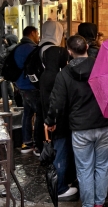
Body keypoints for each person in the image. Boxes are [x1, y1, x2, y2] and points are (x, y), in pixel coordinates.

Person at [45, 35, 108, 207]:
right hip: (105, 124)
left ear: (69, 51)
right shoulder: (102, 67)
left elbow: (57, 103)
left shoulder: (64, 75)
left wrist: (50, 120)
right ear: (87, 47)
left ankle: (89, 204)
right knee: (103, 166)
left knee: (84, 169)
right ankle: (99, 203)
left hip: (80, 128)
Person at [39, 21, 76, 200]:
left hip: (52, 121)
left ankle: (62, 183)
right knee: (61, 151)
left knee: (59, 149)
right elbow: (59, 101)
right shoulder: (59, 76)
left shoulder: (46, 75)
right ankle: (60, 188)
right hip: (60, 122)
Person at [15, 26, 43, 156]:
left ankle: (26, 142)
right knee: (39, 113)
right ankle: (38, 145)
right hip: (32, 87)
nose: (38, 36)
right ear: (32, 33)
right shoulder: (32, 49)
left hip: (21, 86)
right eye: (37, 33)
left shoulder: (18, 48)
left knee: (27, 114)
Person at [0, 34, 18, 99]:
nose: (5, 41)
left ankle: (12, 98)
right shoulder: (12, 47)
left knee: (7, 83)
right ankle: (13, 98)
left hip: (10, 69)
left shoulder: (10, 48)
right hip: (12, 69)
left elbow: (2, 57)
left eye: (6, 40)